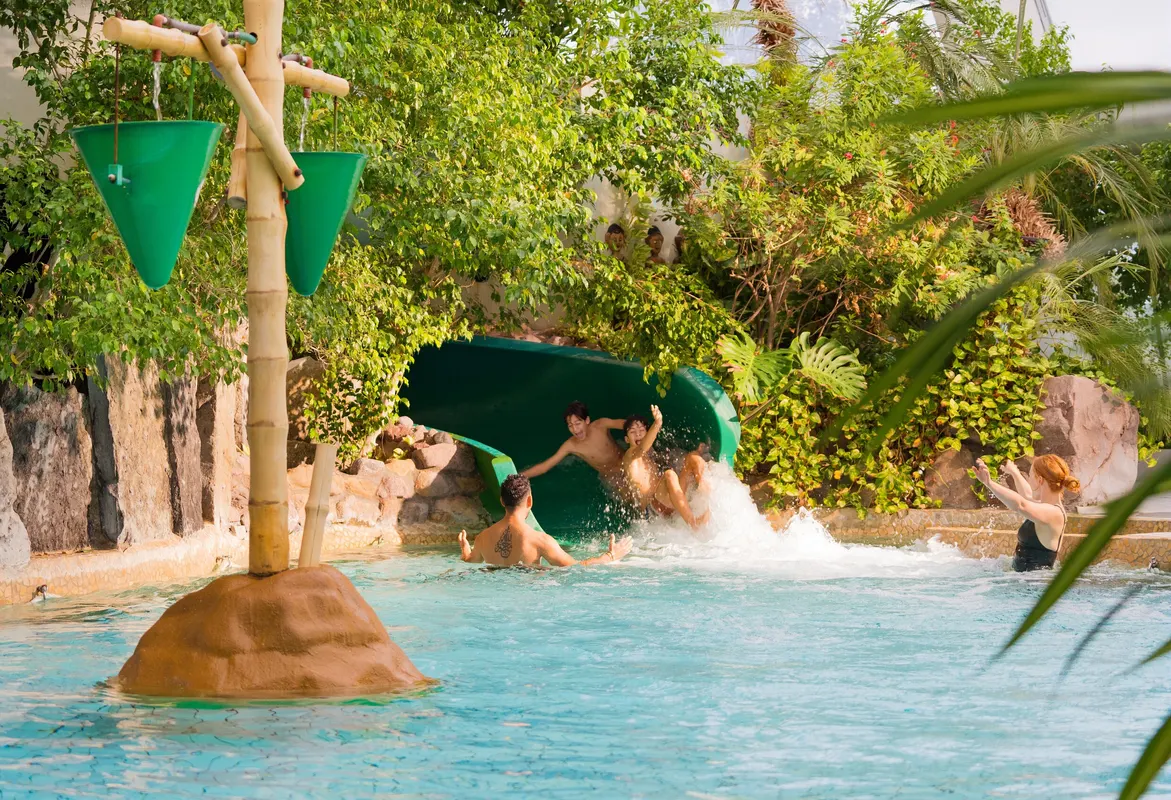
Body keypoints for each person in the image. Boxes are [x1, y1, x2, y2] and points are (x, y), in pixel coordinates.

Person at [459, 474, 633, 567]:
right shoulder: (540, 540)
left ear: (502, 501)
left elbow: (471, 560)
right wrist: (610, 556)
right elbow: (578, 567)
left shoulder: (482, 538)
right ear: (529, 501)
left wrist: (466, 550)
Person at [974, 454, 1081, 572]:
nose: (1028, 480)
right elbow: (1027, 496)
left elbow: (1021, 504)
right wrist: (1015, 472)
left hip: (1033, 586)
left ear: (1040, 480)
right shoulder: (1046, 508)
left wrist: (989, 483)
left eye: (1030, 476)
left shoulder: (1053, 513)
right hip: (1027, 582)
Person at [622, 405, 709, 530]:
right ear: (626, 439)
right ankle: (693, 523)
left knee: (692, 457)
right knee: (670, 474)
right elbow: (641, 449)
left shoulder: (650, 454)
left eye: (641, 430)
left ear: (647, 433)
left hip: (670, 500)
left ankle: (706, 491)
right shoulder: (630, 456)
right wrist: (657, 423)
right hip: (655, 508)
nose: (638, 434)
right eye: (632, 432)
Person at [521, 401, 627, 487]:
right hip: (612, 477)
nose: (575, 430)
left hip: (627, 461)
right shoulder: (571, 445)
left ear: (587, 420)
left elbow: (626, 424)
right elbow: (545, 466)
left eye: (578, 423)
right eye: (570, 425)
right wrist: (521, 476)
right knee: (628, 501)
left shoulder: (601, 425)